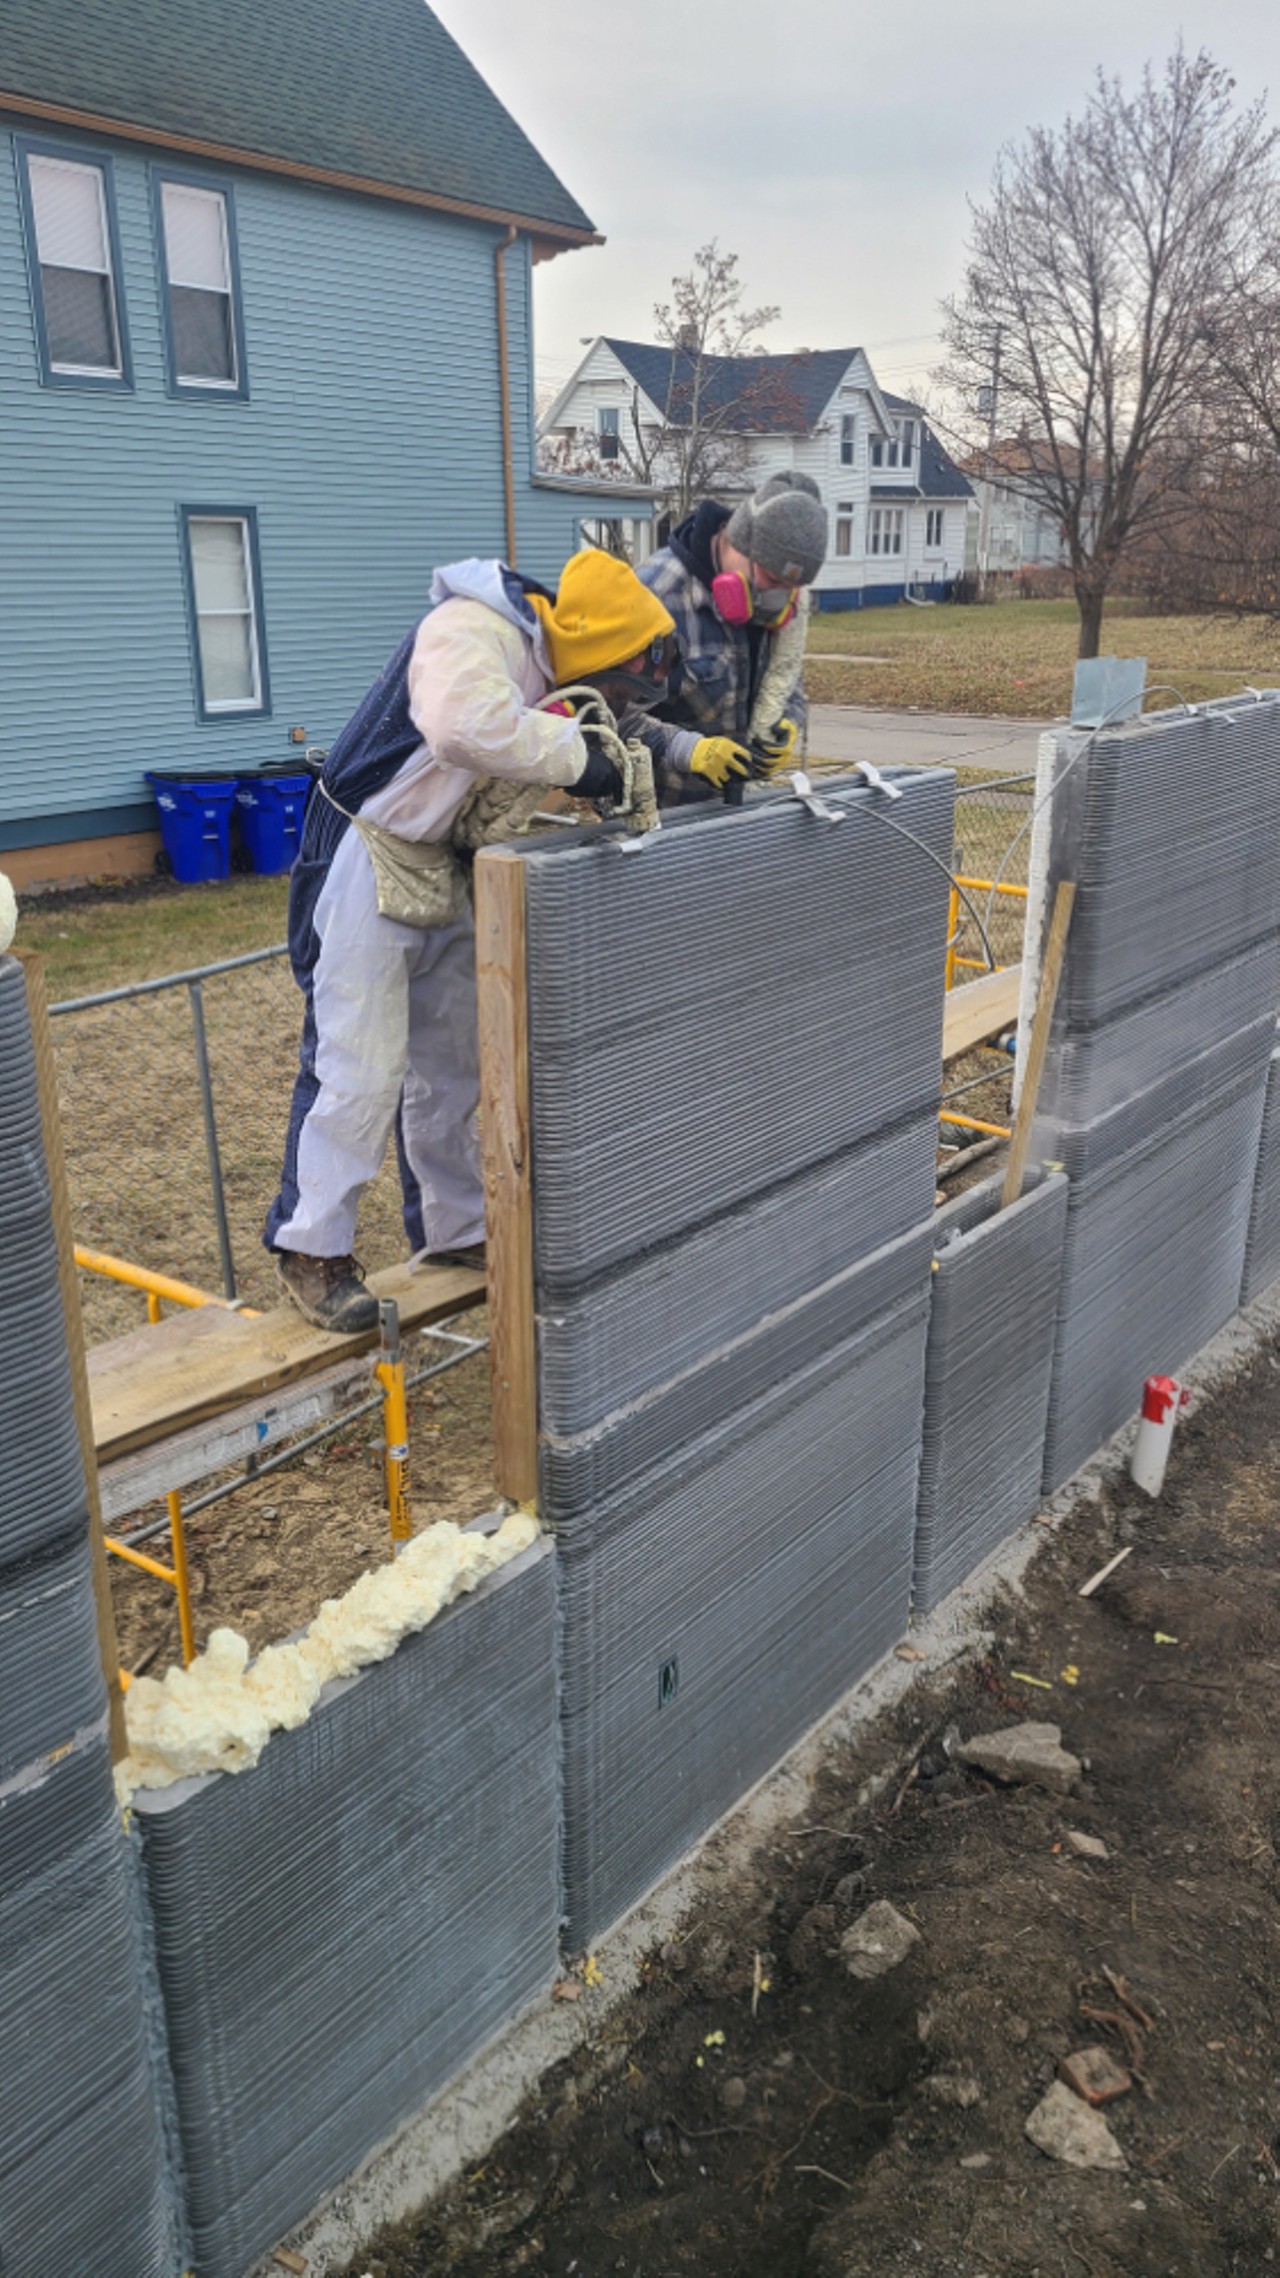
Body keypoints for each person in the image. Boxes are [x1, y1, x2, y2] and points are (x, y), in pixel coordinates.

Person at [265, 552, 676, 1334]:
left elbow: (569, 739)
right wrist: (576, 762)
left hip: (438, 856)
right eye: (620, 688)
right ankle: (311, 1249)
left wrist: (647, 758)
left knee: (452, 1064)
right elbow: (463, 727)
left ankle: (455, 1230)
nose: (616, 704)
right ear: (601, 650)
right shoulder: (473, 626)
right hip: (366, 844)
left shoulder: (542, 665)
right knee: (359, 1061)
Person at [637, 471, 828, 801]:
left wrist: (789, 718)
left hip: (735, 815)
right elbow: (606, 721)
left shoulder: (772, 604)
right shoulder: (654, 597)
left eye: (789, 588)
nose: (777, 598)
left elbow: (784, 675)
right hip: (660, 817)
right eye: (771, 579)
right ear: (738, 540)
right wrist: (687, 749)